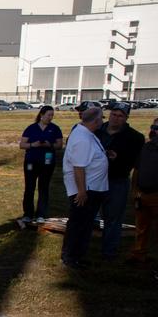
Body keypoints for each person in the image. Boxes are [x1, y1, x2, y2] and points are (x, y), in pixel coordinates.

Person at [62, 106, 109, 269]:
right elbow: (78, 167)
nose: (102, 121)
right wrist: (81, 191)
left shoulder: (87, 134)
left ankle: (78, 254)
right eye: (102, 118)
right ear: (96, 121)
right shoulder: (82, 138)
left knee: (86, 224)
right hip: (85, 189)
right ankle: (70, 256)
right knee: (78, 223)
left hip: (92, 187)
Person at [95, 103, 145, 260]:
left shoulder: (135, 137)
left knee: (114, 217)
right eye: (114, 114)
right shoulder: (97, 131)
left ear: (126, 118)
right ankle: (82, 246)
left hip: (117, 180)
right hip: (95, 179)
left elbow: (137, 162)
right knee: (89, 214)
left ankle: (108, 251)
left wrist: (119, 158)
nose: (116, 118)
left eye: (120, 116)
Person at [18, 105, 62, 223]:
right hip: (31, 161)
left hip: (47, 162)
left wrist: (50, 145)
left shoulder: (55, 128)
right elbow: (22, 145)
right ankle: (28, 213)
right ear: (41, 115)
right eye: (49, 115)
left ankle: (41, 214)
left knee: (43, 188)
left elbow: (59, 145)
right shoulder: (31, 128)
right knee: (30, 187)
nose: (50, 117)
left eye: (52, 115)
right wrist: (34, 145)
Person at [129, 118, 158, 266]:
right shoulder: (146, 148)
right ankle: (138, 255)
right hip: (142, 194)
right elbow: (137, 170)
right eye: (155, 127)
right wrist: (135, 190)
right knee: (141, 227)